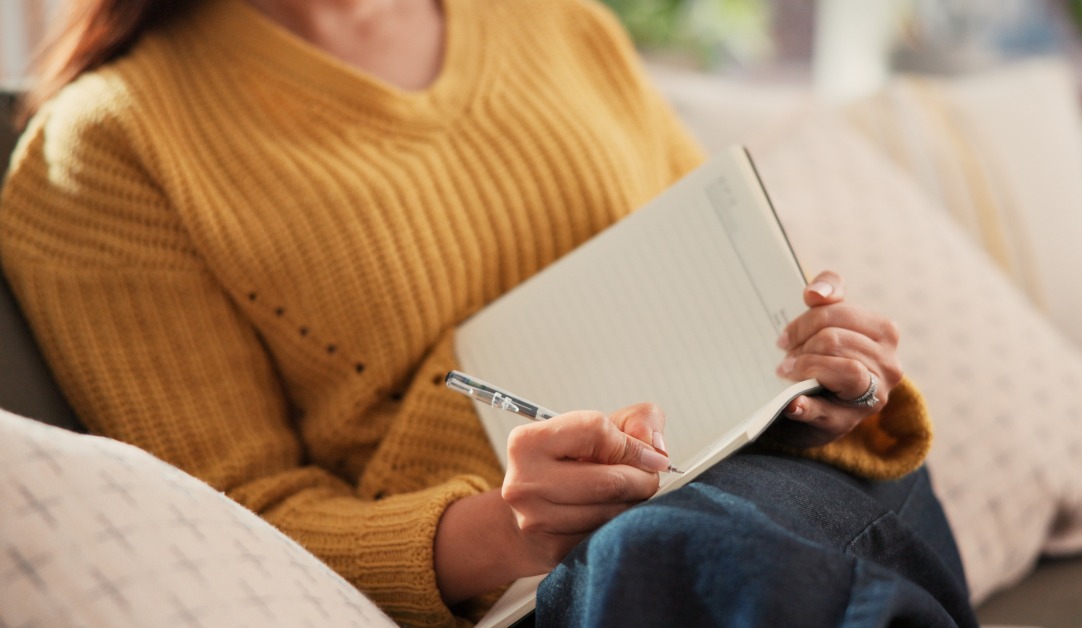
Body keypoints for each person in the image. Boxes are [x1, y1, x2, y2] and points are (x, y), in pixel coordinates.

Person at [0, 0, 977, 626]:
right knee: (674, 550)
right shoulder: (107, 149)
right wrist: (509, 530)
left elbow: (731, 274)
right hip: (557, 573)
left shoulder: (553, 20)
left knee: (717, 544)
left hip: (790, 473)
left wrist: (826, 379)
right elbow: (234, 521)